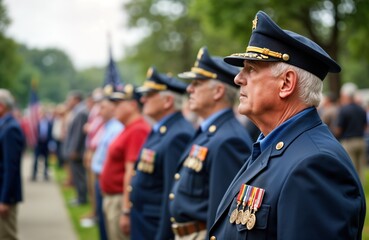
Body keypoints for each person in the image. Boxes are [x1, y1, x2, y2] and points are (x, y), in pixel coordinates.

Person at [208, 11, 365, 240]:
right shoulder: (273, 147)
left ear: (286, 83)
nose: (238, 78)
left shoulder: (315, 165)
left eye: (251, 69)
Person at [169, 47, 254, 240]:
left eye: (197, 83)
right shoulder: (208, 131)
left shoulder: (228, 139)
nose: (189, 89)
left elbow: (221, 213)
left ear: (218, 91)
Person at [130, 67, 195, 240]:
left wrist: (163, 236)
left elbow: (170, 192)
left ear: (167, 101)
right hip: (144, 219)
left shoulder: (178, 134)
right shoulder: (161, 129)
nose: (143, 99)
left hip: (155, 225)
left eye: (149, 94)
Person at [100, 84, 151, 240]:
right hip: (113, 197)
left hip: (119, 199)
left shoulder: (137, 130)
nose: (113, 108)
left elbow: (131, 171)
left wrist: (125, 209)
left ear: (133, 105)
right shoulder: (128, 127)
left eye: (118, 104)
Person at [91, 87, 124, 240]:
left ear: (113, 108)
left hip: (109, 183)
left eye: (103, 107)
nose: (99, 111)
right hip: (101, 179)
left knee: (109, 229)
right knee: (104, 225)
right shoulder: (109, 126)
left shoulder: (117, 128)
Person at [0, 89, 26, 239]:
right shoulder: (5, 125)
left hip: (4, 195)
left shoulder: (11, 129)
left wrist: (5, 199)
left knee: (6, 236)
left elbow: (11, 167)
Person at [335, 82, 367, 182]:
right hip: (361, 140)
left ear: (345, 95)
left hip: (349, 141)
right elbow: (365, 126)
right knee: (360, 167)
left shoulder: (344, 110)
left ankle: (354, 187)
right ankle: (361, 187)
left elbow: (339, 129)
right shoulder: (361, 109)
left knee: (351, 167)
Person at [63, 90, 89, 205]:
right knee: (77, 174)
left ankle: (82, 198)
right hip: (76, 150)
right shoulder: (78, 111)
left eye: (70, 99)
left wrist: (74, 149)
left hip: (77, 151)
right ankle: (79, 196)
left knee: (79, 175)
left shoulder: (81, 112)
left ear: (77, 100)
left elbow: (78, 133)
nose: (69, 102)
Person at [31, 107, 53, 181]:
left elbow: (50, 134)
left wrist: (51, 143)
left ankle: (45, 175)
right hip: (38, 143)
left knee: (46, 160)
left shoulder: (49, 123)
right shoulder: (37, 123)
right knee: (36, 159)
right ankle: (34, 174)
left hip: (46, 143)